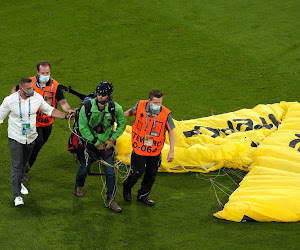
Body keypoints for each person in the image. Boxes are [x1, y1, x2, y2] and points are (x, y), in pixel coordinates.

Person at [0, 77, 72, 206]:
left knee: (24, 164)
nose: (31, 90)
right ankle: (17, 195)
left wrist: (66, 116)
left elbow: (50, 110)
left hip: (31, 137)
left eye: (32, 88)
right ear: (21, 89)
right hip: (16, 138)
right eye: (28, 89)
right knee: (16, 165)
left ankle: (19, 182)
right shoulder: (9, 101)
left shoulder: (37, 97)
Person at [12, 61, 75, 180]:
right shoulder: (29, 83)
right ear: (37, 72)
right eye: (43, 73)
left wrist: (69, 110)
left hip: (47, 122)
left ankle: (24, 168)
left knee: (37, 146)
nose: (46, 75)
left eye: (48, 72)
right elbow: (14, 91)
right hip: (29, 121)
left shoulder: (55, 85)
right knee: (34, 143)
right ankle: (22, 169)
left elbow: (62, 102)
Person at [74, 82, 126, 213]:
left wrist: (113, 139)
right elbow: (83, 127)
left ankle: (111, 200)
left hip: (107, 147)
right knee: (84, 170)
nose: (100, 97)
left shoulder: (115, 108)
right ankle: (79, 185)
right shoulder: (86, 108)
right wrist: (95, 141)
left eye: (103, 95)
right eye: (98, 94)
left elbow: (122, 124)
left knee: (110, 173)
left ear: (109, 96)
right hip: (91, 146)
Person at [123, 89, 175, 206]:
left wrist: (171, 151)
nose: (158, 106)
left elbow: (172, 132)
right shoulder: (140, 105)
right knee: (137, 172)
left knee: (151, 175)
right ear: (149, 101)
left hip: (155, 151)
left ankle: (143, 196)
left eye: (160, 103)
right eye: (156, 103)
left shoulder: (165, 114)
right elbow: (131, 112)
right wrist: (121, 116)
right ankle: (127, 187)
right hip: (139, 149)